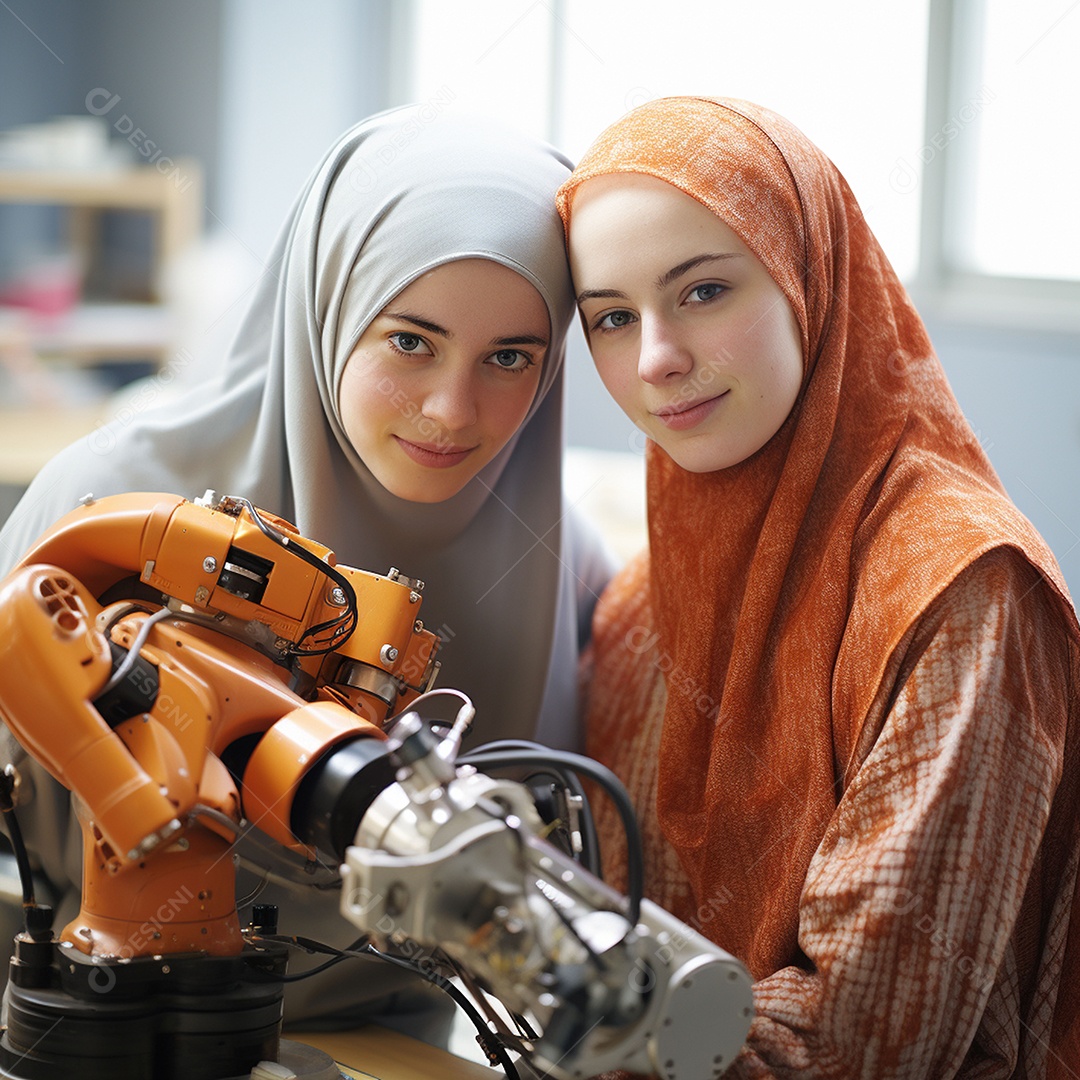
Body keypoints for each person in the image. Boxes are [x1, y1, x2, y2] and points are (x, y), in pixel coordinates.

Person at [0, 104, 614, 1030]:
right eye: (410, 341)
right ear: (328, 307)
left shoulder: (568, 564)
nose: (453, 410)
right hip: (90, 1024)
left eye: (510, 358)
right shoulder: (109, 504)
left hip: (405, 1041)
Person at [556, 96, 1080, 1077]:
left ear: (809, 275)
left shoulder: (961, 591)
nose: (658, 357)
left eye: (704, 291)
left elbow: (864, 1035)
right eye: (613, 318)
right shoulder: (635, 610)